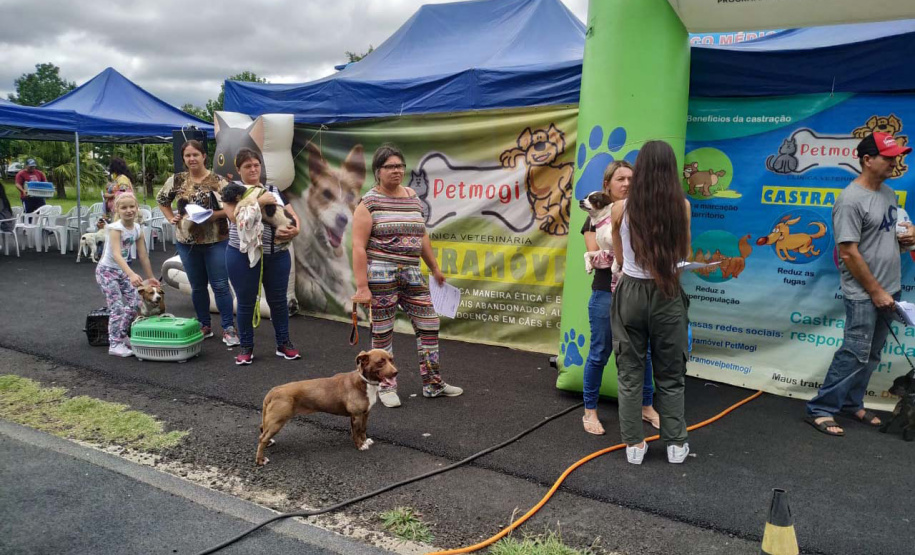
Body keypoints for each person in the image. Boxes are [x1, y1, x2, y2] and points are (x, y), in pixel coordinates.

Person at [805, 132, 914, 437]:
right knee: (855, 352)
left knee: (873, 353)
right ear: (867, 160)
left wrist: (909, 235)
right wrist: (876, 291)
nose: (895, 162)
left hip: (889, 289)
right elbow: (848, 252)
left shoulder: (889, 194)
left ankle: (852, 403)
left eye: (896, 156)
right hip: (866, 294)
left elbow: (887, 237)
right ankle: (821, 409)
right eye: (888, 157)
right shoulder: (850, 200)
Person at [351, 144, 463, 408]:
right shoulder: (368, 203)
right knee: (382, 333)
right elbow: (357, 246)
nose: (396, 171)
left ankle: (433, 384)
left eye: (400, 166)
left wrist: (434, 268)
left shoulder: (412, 196)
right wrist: (362, 286)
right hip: (381, 274)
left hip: (412, 273)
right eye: (390, 167)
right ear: (377, 171)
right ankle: (385, 387)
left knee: (430, 323)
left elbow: (421, 234)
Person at [610, 140, 691, 465]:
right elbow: (683, 255)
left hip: (630, 292)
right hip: (667, 292)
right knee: (670, 374)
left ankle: (634, 446)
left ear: (640, 170)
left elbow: (618, 258)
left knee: (630, 371)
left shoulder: (619, 209)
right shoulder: (682, 207)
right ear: (670, 171)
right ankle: (674, 445)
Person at [581, 161, 661, 435]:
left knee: (644, 353)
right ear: (607, 185)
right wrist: (624, 250)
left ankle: (646, 406)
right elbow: (597, 255)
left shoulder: (642, 213)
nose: (627, 184)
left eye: (631, 178)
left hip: (638, 291)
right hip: (606, 292)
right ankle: (589, 410)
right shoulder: (594, 217)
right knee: (600, 351)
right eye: (620, 179)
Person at [223, 148, 301, 365]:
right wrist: (260, 201)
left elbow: (292, 215)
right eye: (247, 166)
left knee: (279, 301)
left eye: (256, 164)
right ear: (238, 169)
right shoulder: (233, 191)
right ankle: (246, 346)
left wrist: (295, 229)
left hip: (276, 254)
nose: (253, 169)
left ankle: (284, 343)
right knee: (246, 302)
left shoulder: (273, 189)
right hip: (242, 255)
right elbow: (234, 216)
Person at [157, 140, 238, 345]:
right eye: (187, 155)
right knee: (197, 286)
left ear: (204, 156)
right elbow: (162, 200)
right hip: (186, 242)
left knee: (220, 285)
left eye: (195, 154)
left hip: (216, 240)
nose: (192, 159)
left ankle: (228, 328)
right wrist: (170, 218)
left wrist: (213, 215)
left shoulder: (218, 181)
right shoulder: (176, 180)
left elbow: (233, 208)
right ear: (183, 159)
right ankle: (205, 325)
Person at [95, 193, 159, 357]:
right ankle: (114, 344)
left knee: (136, 302)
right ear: (117, 209)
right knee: (116, 307)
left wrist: (150, 277)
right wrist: (131, 274)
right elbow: (116, 254)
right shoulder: (116, 228)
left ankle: (122, 335)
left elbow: (143, 255)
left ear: (137, 208)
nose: (129, 210)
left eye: (132, 207)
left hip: (121, 271)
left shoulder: (137, 228)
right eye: (124, 207)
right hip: (107, 272)